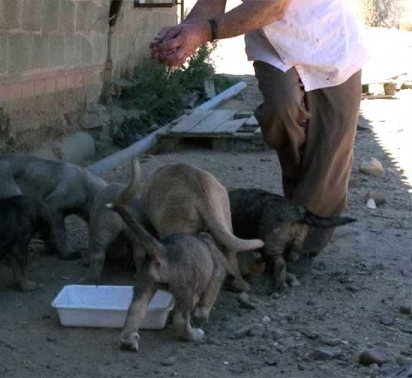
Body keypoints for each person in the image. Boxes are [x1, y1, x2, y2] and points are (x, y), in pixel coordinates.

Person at [151, 0, 369, 274]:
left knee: (330, 150)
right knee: (282, 110)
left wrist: (203, 33)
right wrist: (184, 36)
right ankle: (293, 212)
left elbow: (275, 5)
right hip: (273, 47)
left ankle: (301, 248)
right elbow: (210, 3)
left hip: (330, 41)